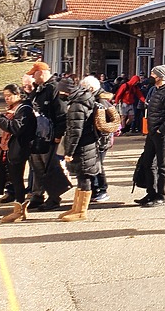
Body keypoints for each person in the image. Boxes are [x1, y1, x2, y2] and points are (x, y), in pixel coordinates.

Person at [134, 65, 165, 207]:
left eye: (153, 74)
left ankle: (161, 195)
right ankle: (151, 192)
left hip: (163, 133)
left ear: (160, 76)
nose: (151, 76)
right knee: (148, 162)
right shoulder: (157, 90)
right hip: (153, 132)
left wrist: (161, 130)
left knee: (162, 165)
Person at [58, 76, 101, 221]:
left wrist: (69, 152)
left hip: (83, 146)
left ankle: (81, 211)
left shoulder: (77, 105)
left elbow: (75, 131)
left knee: (84, 177)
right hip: (87, 144)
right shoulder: (82, 99)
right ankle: (76, 208)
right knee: (81, 176)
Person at [0, 84, 36, 223]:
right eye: (4, 96)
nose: (6, 98)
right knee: (15, 179)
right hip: (13, 148)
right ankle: (19, 209)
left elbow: (16, 128)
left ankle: (20, 211)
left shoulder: (24, 109)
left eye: (9, 95)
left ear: (18, 95)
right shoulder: (15, 108)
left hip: (20, 148)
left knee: (17, 179)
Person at [27, 61, 68, 211]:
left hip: (49, 136)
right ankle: (37, 195)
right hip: (37, 136)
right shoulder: (39, 89)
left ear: (42, 73)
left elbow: (61, 113)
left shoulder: (54, 88)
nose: (33, 77)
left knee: (50, 167)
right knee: (37, 167)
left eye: (34, 74)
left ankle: (54, 198)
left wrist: (58, 134)